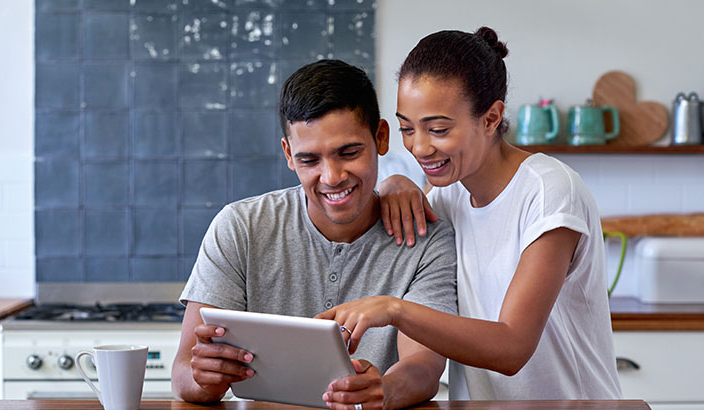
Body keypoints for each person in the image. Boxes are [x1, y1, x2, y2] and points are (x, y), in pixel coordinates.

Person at [317, 27, 622, 400]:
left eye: (439, 129)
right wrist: (395, 182)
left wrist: (395, 310)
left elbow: (512, 347)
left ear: (492, 118)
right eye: (407, 129)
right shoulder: (447, 194)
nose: (420, 147)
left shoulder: (549, 191)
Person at [171, 59, 458, 409]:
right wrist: (204, 379)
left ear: (381, 137)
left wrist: (384, 390)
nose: (332, 176)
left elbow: (425, 366)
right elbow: (184, 372)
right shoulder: (240, 227)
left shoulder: (426, 239)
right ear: (288, 154)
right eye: (309, 160)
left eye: (348, 152)